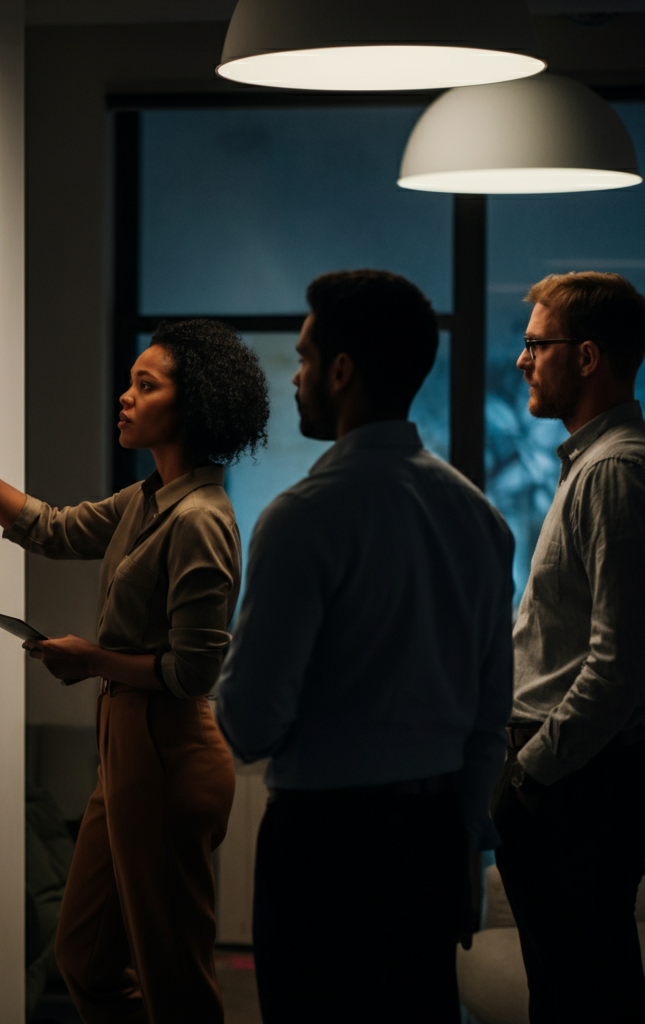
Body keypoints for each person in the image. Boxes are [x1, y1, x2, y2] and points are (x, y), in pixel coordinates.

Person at [0, 319, 269, 1024]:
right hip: (128, 754)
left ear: (192, 406)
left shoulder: (201, 518)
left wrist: (92, 662)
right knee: (82, 957)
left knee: (177, 985)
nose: (125, 397)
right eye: (129, 382)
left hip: (170, 754)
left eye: (146, 386)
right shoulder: (146, 499)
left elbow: (197, 669)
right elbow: (50, 527)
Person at [216, 270, 515, 1023]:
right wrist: (465, 847)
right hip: (435, 834)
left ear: (342, 371)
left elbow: (249, 723)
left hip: (325, 843)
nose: (298, 376)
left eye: (307, 358)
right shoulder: (478, 517)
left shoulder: (303, 518)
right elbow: (490, 716)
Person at [492, 272, 645, 1023]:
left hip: (575, 785)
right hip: (568, 781)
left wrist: (531, 771)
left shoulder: (614, 471)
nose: (522, 360)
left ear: (586, 357)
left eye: (534, 344)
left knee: (584, 997)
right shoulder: (591, 463)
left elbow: (618, 667)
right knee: (566, 992)